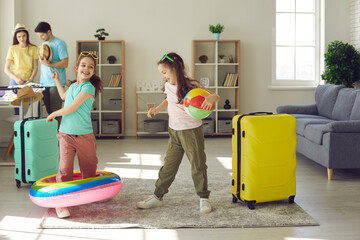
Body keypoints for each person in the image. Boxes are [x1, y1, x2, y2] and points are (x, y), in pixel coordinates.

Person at [136, 52, 220, 214]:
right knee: (169, 165)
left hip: (191, 131)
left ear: (175, 68)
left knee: (198, 164)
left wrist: (210, 99)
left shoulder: (192, 84)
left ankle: (204, 198)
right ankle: (158, 196)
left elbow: (215, 96)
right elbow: (169, 99)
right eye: (161, 73)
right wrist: (157, 109)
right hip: (174, 131)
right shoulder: (168, 85)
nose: (163, 76)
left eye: (164, 72)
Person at [46, 52, 103, 218]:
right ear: (76, 68)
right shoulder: (72, 87)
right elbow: (64, 97)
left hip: (84, 136)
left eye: (91, 67)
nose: (87, 69)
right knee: (64, 170)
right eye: (83, 65)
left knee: (89, 167)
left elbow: (71, 108)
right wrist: (57, 80)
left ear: (93, 71)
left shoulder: (88, 88)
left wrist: (53, 114)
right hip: (65, 135)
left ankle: (90, 193)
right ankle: (62, 204)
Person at [35, 21, 68, 124]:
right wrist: (40, 83)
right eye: (39, 35)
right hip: (44, 83)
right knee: (49, 113)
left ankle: (59, 139)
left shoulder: (60, 43)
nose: (40, 37)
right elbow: (43, 65)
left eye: (42, 35)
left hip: (55, 84)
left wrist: (49, 65)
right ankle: (52, 138)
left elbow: (65, 63)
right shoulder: (44, 44)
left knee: (56, 113)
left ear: (49, 32)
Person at [4, 23, 38, 115]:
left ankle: (30, 124)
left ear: (27, 36)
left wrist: (30, 79)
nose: (22, 39)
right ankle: (18, 125)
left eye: (24, 36)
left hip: (29, 81)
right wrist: (16, 78)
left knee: (34, 105)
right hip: (15, 81)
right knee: (17, 108)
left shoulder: (33, 48)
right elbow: (6, 69)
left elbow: (35, 67)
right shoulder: (12, 49)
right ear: (16, 37)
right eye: (19, 37)